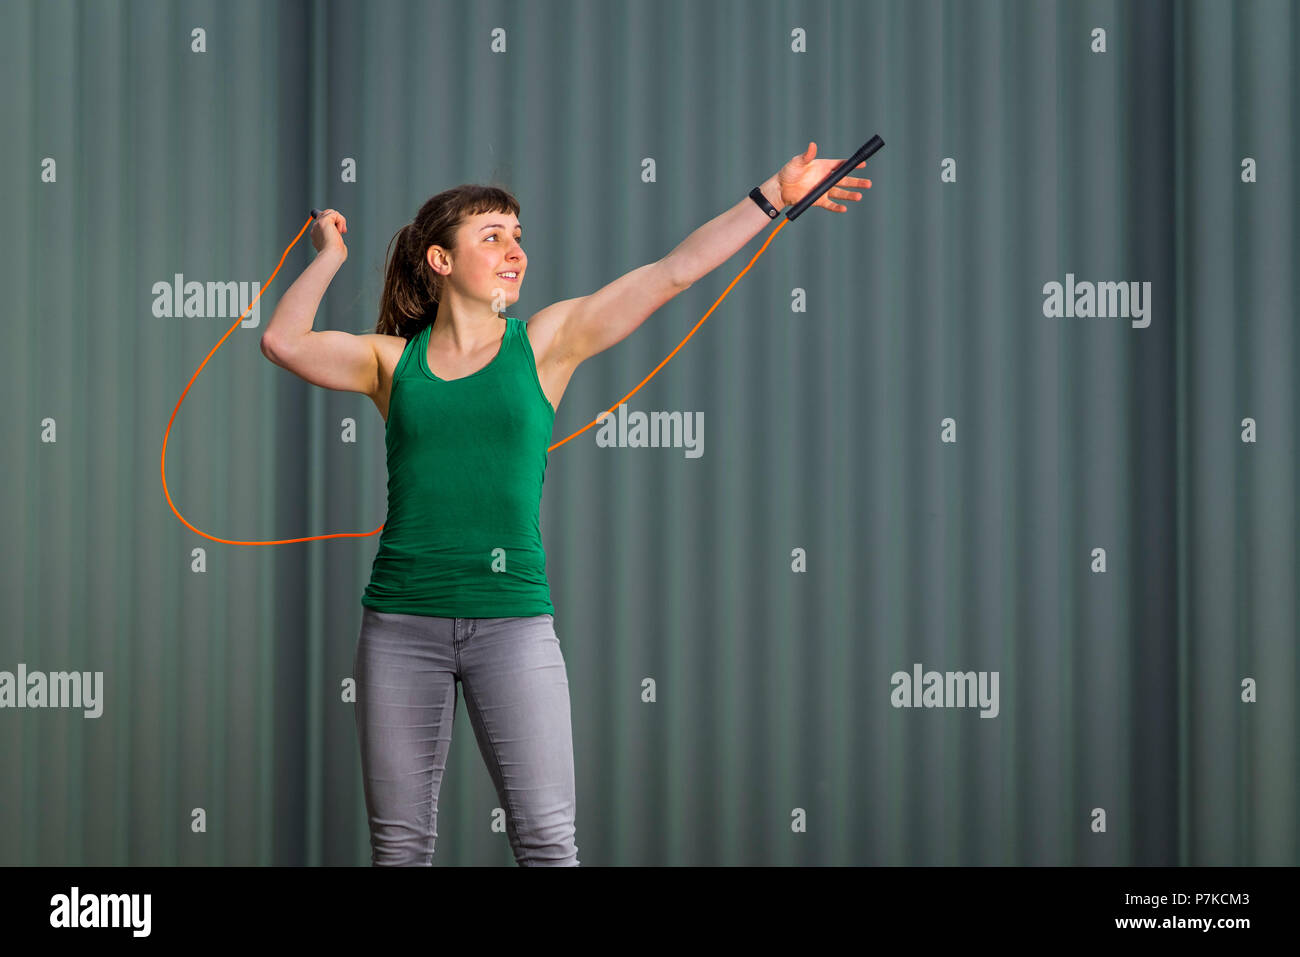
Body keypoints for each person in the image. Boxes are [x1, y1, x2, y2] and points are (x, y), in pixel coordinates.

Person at [258, 144, 871, 866]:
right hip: (399, 627)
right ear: (441, 260)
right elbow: (281, 340)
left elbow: (671, 272)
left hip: (513, 627)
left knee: (548, 843)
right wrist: (328, 254)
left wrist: (773, 194)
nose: (515, 250)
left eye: (518, 234)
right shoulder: (391, 362)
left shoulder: (546, 343)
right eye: (492, 236)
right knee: (399, 849)